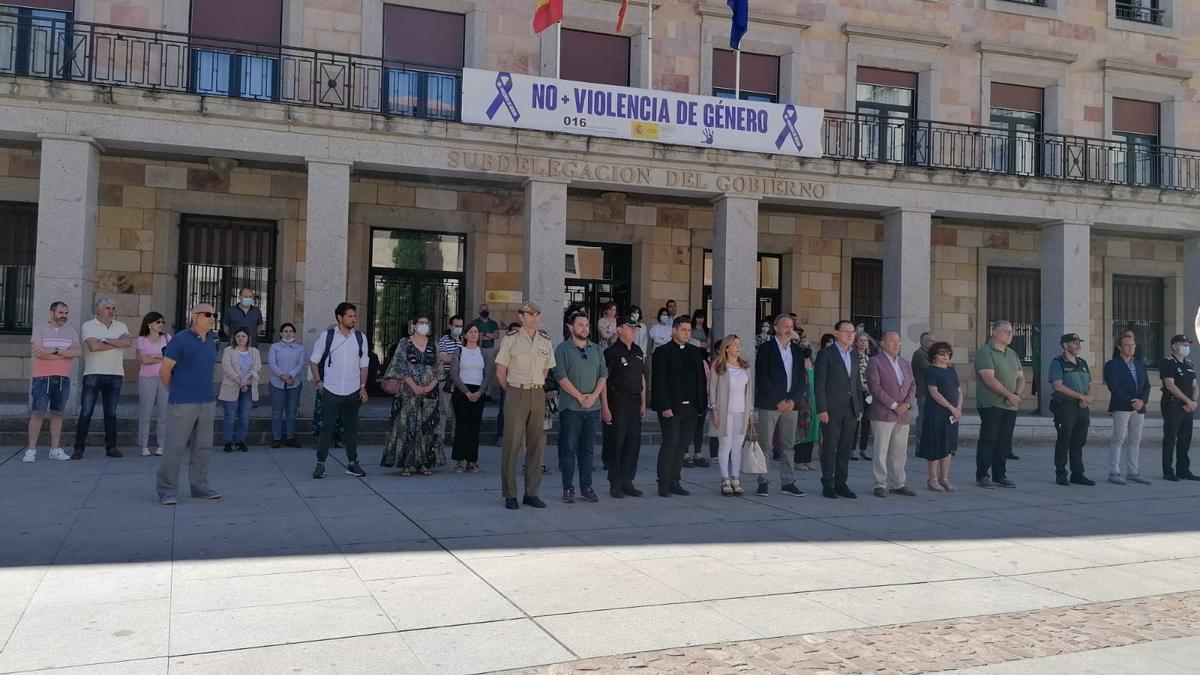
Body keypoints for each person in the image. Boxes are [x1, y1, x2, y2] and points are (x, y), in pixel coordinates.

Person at [156, 303, 221, 505]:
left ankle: (200, 486)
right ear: (194, 316)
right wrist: (175, 392)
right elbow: (164, 371)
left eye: (215, 315)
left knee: (203, 447)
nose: (212, 318)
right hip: (183, 402)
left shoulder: (213, 339)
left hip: (207, 401)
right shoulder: (180, 340)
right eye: (208, 314)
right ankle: (167, 490)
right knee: (174, 448)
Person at [496, 302, 556, 509]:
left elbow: (547, 370)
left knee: (536, 446)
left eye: (537, 314)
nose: (534, 318)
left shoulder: (545, 340)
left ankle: (532, 493)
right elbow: (500, 371)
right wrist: (512, 391)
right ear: (521, 317)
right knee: (512, 445)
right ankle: (510, 493)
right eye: (530, 314)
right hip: (516, 391)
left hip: (537, 392)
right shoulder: (510, 339)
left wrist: (534, 385)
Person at [309, 302, 369, 480]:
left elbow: (364, 364)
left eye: (355, 316)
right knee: (326, 427)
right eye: (350, 316)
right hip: (331, 389)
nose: (353, 319)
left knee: (351, 428)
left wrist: (363, 387)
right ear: (339, 318)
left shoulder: (360, 338)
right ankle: (320, 464)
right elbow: (313, 361)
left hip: (353, 390)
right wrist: (318, 382)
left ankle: (353, 463)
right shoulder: (327, 336)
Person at [552, 312, 608, 503]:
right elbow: (560, 376)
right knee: (568, 449)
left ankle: (587, 487)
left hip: (592, 408)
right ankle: (568, 489)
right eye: (580, 325)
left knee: (588, 450)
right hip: (571, 409)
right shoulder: (562, 349)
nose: (585, 328)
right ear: (571, 327)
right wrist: (579, 397)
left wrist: (592, 397)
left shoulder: (596, 349)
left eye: (587, 325)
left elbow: (603, 375)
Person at [753, 313, 808, 497]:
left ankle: (788, 482)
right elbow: (762, 377)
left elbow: (801, 378)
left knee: (788, 446)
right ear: (776, 328)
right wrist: (778, 400)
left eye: (791, 326)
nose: (789, 329)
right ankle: (763, 481)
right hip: (770, 404)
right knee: (766, 445)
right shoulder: (766, 349)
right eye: (785, 326)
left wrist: (793, 399)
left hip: (791, 405)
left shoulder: (797, 351)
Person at [381, 315, 443, 476]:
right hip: (408, 392)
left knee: (426, 427)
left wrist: (429, 386)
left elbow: (438, 370)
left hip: (430, 394)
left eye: (426, 323)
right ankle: (406, 464)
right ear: (414, 326)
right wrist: (414, 386)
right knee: (407, 426)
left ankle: (424, 463)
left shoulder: (433, 345)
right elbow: (399, 365)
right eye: (420, 323)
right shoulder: (405, 343)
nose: (424, 325)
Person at [652, 315, 706, 497]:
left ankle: (675, 480)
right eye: (683, 330)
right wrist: (664, 406)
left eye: (689, 330)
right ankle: (663, 483)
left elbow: (701, 379)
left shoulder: (694, 351)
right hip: (671, 408)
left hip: (691, 408)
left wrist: (701, 405)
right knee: (670, 444)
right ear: (674, 330)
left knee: (682, 446)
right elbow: (659, 382)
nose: (687, 333)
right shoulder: (662, 352)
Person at [73, 296, 132, 459]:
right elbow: (93, 346)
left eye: (113, 308)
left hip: (115, 374)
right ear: (98, 310)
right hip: (93, 373)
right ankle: (78, 448)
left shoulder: (121, 325)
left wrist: (105, 340)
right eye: (107, 308)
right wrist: (116, 342)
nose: (111, 311)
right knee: (86, 412)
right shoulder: (88, 325)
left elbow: (128, 343)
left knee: (111, 413)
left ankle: (111, 447)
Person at [814, 320, 864, 499]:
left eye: (853, 332)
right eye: (846, 332)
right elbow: (819, 384)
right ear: (836, 334)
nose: (851, 335)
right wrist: (822, 409)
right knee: (830, 446)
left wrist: (859, 406)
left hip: (850, 409)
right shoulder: (826, 354)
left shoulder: (854, 354)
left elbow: (856, 382)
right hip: (831, 409)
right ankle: (828, 482)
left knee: (845, 447)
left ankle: (841, 482)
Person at [25, 302, 80, 463]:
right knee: (37, 413)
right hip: (42, 378)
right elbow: (39, 353)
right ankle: (31, 450)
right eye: (61, 312)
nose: (64, 315)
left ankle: (55, 449)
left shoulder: (71, 331)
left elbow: (77, 352)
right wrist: (64, 353)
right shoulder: (40, 329)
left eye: (66, 313)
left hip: (63, 378)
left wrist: (54, 351)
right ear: (52, 313)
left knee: (58, 414)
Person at [865, 330, 917, 497]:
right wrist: (894, 405)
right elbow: (875, 387)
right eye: (892, 341)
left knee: (900, 451)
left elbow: (912, 386)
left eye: (899, 341)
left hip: (902, 415)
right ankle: (880, 483)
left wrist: (907, 404)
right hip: (883, 413)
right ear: (883, 344)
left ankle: (898, 483)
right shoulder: (875, 362)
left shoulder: (905, 363)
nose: (896, 344)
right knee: (881, 450)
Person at [601, 314, 647, 498]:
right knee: (616, 443)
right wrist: (604, 406)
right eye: (630, 327)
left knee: (633, 443)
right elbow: (603, 381)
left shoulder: (637, 351)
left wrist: (644, 402)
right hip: (617, 402)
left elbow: (641, 377)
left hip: (635, 401)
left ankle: (628, 480)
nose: (634, 331)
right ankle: (615, 482)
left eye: (636, 328)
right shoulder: (611, 353)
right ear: (620, 329)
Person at [974, 321, 1024, 489]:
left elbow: (1021, 377)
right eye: (1006, 331)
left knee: (1004, 441)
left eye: (1011, 332)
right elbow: (988, 378)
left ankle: (999, 475)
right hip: (991, 404)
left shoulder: (1012, 354)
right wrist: (1009, 395)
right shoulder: (985, 352)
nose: (1010, 335)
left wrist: (1016, 395)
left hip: (1010, 405)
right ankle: (982, 474)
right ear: (994, 332)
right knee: (989, 439)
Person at [1103, 332, 1151, 486]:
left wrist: (1142, 401)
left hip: (1139, 407)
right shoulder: (1112, 365)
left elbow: (1146, 385)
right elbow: (1114, 386)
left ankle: (1132, 472)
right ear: (1119, 347)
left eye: (1133, 345)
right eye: (1127, 345)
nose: (1131, 348)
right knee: (1119, 438)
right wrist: (1131, 400)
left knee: (1135, 440)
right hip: (1122, 406)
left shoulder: (1139, 364)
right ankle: (1114, 472)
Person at [1048, 333, 1096, 486]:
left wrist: (1088, 398)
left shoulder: (1082, 363)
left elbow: (1090, 384)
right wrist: (1080, 397)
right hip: (1065, 406)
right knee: (1064, 441)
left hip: (1082, 407)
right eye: (1074, 342)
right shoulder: (1057, 362)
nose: (1078, 345)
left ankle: (1077, 473)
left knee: (1078, 442)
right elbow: (1057, 385)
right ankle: (1061, 473)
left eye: (1078, 342)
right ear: (1065, 345)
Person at [709, 335, 753, 496]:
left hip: (742, 411)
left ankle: (736, 478)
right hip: (724, 411)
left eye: (739, 344)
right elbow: (712, 389)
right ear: (727, 348)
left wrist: (750, 411)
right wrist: (714, 409)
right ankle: (724, 478)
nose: (738, 347)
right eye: (735, 345)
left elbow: (749, 391)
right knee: (725, 445)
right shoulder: (718, 366)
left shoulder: (745, 367)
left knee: (737, 446)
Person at [917, 341, 962, 492]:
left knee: (948, 446)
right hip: (936, 412)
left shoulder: (952, 371)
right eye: (941, 354)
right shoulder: (930, 371)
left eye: (947, 354)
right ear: (934, 356)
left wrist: (958, 408)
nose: (945, 356)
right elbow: (934, 393)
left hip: (952, 414)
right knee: (935, 445)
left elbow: (959, 391)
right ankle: (933, 479)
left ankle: (944, 478)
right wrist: (951, 407)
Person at [449, 324, 492, 473]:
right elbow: (453, 374)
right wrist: (466, 392)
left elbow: (487, 374)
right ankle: (460, 460)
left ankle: (472, 460)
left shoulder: (484, 352)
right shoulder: (459, 351)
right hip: (462, 391)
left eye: (476, 332)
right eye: (471, 332)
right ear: (465, 335)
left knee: (474, 427)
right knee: (462, 426)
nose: (474, 334)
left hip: (478, 391)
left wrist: (480, 392)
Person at [1160, 334, 1200, 481]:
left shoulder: (1189, 364)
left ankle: (1183, 469)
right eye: (1183, 344)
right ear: (1174, 346)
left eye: (1187, 344)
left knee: (1185, 438)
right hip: (1173, 405)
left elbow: (1195, 385)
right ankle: (1168, 471)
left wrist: (1193, 401)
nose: (1186, 347)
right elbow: (1170, 385)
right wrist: (1187, 401)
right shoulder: (1167, 362)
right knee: (1170, 438)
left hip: (1188, 406)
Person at [135, 312, 171, 457]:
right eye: (158, 322)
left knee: (163, 413)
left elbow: (172, 357)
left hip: (165, 378)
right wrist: (161, 357)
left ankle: (161, 445)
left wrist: (154, 357)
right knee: (146, 412)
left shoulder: (168, 338)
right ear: (149, 324)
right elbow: (144, 360)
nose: (161, 324)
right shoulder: (141, 340)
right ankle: (144, 445)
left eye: (162, 321)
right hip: (147, 378)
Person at [218, 328, 261, 453]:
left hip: (247, 387)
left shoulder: (255, 352)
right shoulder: (228, 350)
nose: (241, 338)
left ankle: (241, 441)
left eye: (243, 336)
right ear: (234, 338)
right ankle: (228, 441)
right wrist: (238, 380)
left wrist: (245, 380)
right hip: (232, 385)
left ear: (248, 338)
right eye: (238, 336)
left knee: (245, 415)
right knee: (230, 415)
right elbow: (226, 367)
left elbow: (256, 367)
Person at [267, 323, 305, 448]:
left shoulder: (300, 348)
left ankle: (290, 437)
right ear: (281, 333)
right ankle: (276, 438)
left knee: (291, 411)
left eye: (290, 331)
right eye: (285, 331)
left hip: (294, 383)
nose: (288, 333)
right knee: (277, 411)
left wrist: (290, 376)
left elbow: (300, 365)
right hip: (277, 383)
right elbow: (272, 363)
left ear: (294, 333)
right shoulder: (274, 347)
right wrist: (283, 376)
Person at [792, 332, 819, 472]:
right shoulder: (796, 362)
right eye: (803, 346)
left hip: (814, 400)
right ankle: (798, 460)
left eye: (808, 346)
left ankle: (807, 460)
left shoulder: (812, 363)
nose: (806, 348)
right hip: (802, 401)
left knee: (813, 430)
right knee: (802, 429)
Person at [436, 315, 464, 447]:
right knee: (444, 409)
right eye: (456, 325)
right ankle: (440, 437)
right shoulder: (443, 340)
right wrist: (458, 359)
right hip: (446, 378)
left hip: (461, 379)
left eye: (460, 326)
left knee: (457, 410)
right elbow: (442, 358)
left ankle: (455, 437)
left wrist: (451, 357)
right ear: (450, 326)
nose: (458, 328)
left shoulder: (464, 341)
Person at [852, 332, 875, 461]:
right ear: (856, 342)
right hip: (858, 392)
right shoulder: (853, 357)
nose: (863, 342)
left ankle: (863, 448)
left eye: (865, 340)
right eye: (860, 340)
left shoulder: (869, 358)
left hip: (869, 393)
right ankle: (852, 449)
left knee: (867, 421)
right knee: (856, 421)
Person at [473, 303, 501, 403]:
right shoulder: (475, 322)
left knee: (489, 372)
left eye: (486, 310)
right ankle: (479, 392)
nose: (485, 312)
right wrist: (489, 335)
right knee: (479, 371)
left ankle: (488, 394)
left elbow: (497, 335)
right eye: (483, 310)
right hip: (478, 349)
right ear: (479, 311)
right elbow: (476, 336)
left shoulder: (493, 323)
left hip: (490, 349)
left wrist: (484, 334)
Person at [911, 332, 935, 448]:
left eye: (934, 341)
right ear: (922, 342)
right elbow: (931, 370)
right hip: (923, 391)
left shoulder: (933, 354)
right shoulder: (919, 354)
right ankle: (919, 445)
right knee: (923, 418)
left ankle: (929, 444)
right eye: (930, 341)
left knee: (931, 419)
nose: (933, 343)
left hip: (934, 392)